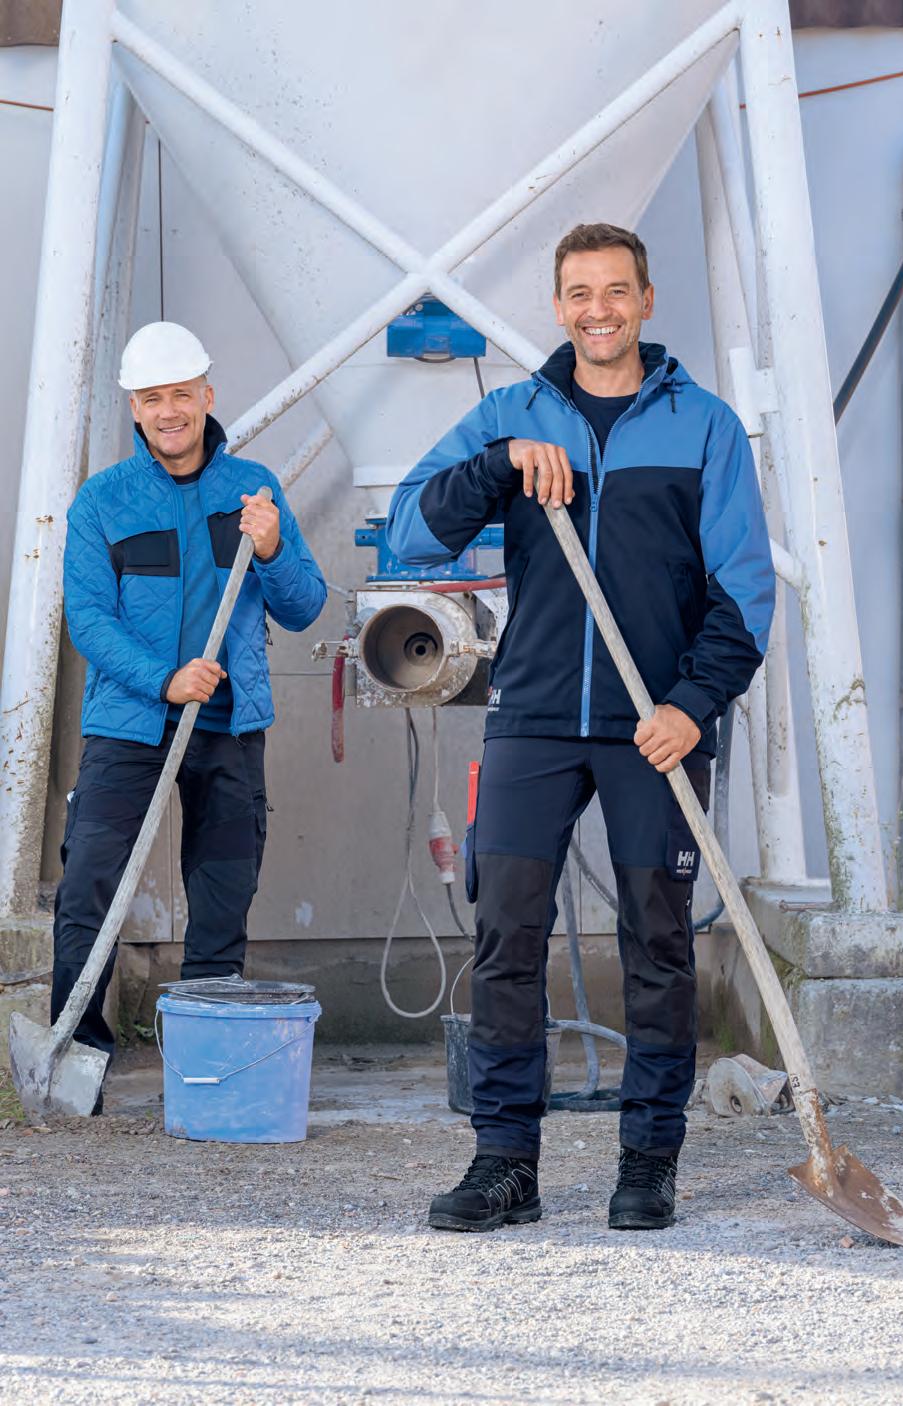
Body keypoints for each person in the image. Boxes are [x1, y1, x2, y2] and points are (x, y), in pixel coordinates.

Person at [387, 223, 775, 1231]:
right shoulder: (513, 414)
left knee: (657, 939)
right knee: (506, 934)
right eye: (578, 293)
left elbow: (744, 592)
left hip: (657, 722)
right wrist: (501, 465)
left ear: (645, 299)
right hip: (535, 713)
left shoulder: (705, 427)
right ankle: (504, 1162)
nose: (597, 309)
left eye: (614, 291)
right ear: (558, 307)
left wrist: (690, 705)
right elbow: (411, 532)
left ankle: (648, 1161)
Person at [51, 321, 326, 1096]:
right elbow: (89, 619)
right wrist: (163, 678)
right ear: (134, 409)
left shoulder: (253, 491)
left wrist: (271, 549)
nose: (168, 411)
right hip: (130, 721)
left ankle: (204, 1073)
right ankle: (77, 1060)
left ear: (207, 395)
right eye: (152, 398)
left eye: (181, 394)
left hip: (228, 723)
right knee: (89, 887)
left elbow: (304, 606)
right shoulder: (103, 501)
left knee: (221, 897)